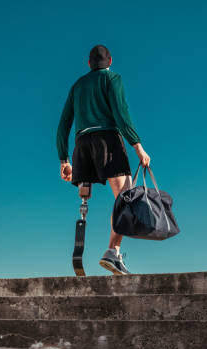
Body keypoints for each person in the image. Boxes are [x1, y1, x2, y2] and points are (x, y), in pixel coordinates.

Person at [56, 45, 150, 275]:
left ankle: (81, 241)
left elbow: (63, 125)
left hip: (82, 145)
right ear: (110, 61)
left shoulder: (77, 86)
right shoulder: (112, 78)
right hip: (107, 139)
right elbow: (120, 112)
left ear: (88, 64)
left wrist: (64, 159)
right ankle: (113, 252)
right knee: (125, 198)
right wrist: (137, 146)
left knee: (85, 197)